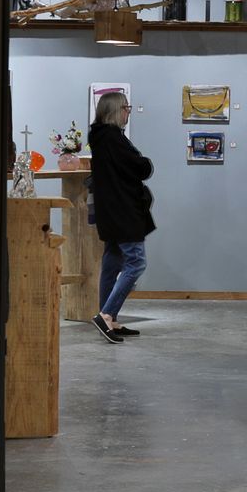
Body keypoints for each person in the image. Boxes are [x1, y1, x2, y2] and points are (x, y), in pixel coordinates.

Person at [87, 90, 152, 343]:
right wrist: (145, 162)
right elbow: (140, 167)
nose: (128, 112)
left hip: (111, 211)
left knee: (112, 262)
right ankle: (106, 315)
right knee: (136, 263)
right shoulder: (113, 139)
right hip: (123, 211)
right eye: (126, 108)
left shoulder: (101, 138)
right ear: (115, 110)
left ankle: (109, 320)